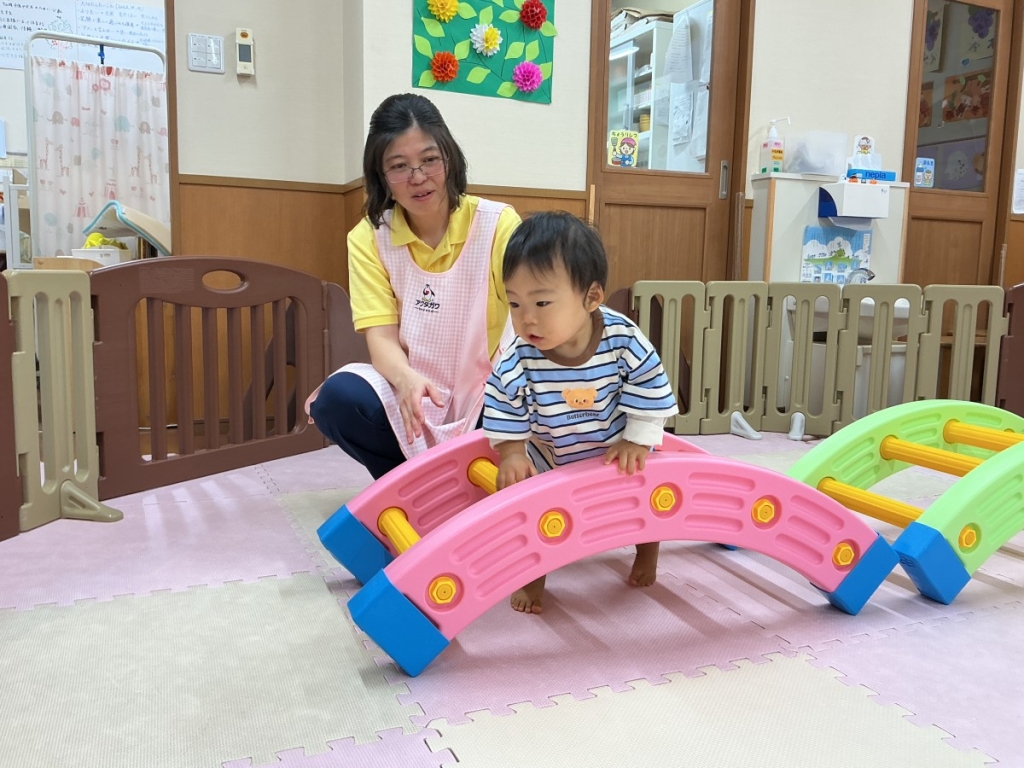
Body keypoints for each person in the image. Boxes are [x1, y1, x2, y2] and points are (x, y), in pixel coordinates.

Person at [306, 94, 521, 479]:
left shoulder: (497, 223)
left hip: (487, 395)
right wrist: (406, 382)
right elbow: (382, 340)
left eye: (429, 160)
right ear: (381, 176)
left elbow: (530, 321)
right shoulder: (369, 238)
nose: (418, 177)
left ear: (449, 158)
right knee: (337, 400)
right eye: (399, 166)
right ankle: (409, 483)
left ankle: (455, 481)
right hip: (411, 388)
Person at [482, 211, 679, 615]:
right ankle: (534, 578)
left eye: (541, 302)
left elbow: (650, 385)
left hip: (614, 448)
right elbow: (504, 401)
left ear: (591, 298)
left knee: (643, 495)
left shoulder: (622, 339)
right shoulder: (519, 357)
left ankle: (647, 554)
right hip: (552, 452)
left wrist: (637, 437)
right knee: (530, 507)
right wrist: (513, 453)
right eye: (515, 304)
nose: (526, 318)